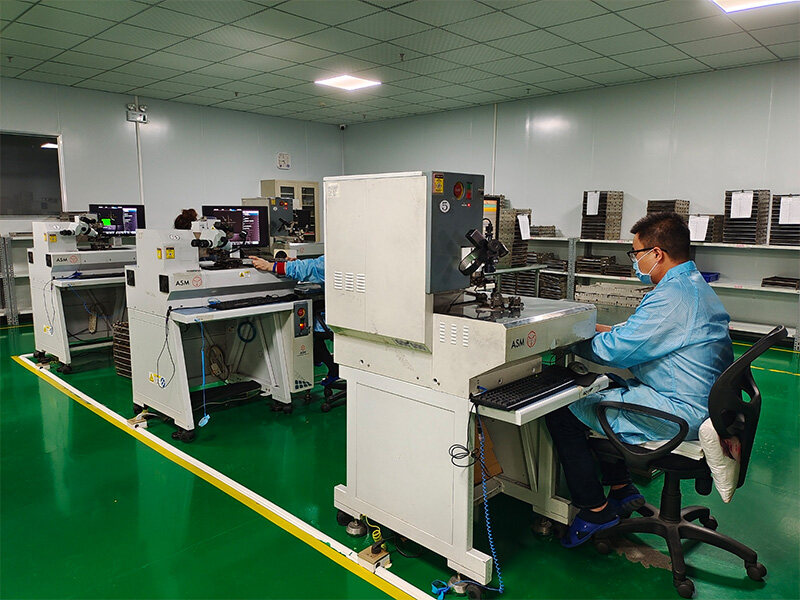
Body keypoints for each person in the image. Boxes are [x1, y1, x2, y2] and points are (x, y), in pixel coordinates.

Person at [546, 211, 733, 548]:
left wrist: (566, 339)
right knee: (606, 384)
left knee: (563, 410)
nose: (634, 262)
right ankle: (621, 488)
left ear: (656, 253)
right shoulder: (691, 286)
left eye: (636, 254)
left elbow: (615, 352)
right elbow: (643, 333)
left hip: (679, 414)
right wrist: (600, 328)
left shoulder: (672, 297)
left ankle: (594, 510)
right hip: (702, 403)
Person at [248, 255, 339, 385]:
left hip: (339, 321)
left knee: (304, 327)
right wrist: (294, 263)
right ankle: (318, 357)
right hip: (352, 318)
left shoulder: (338, 257)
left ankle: (331, 367)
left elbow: (310, 269)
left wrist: (270, 266)